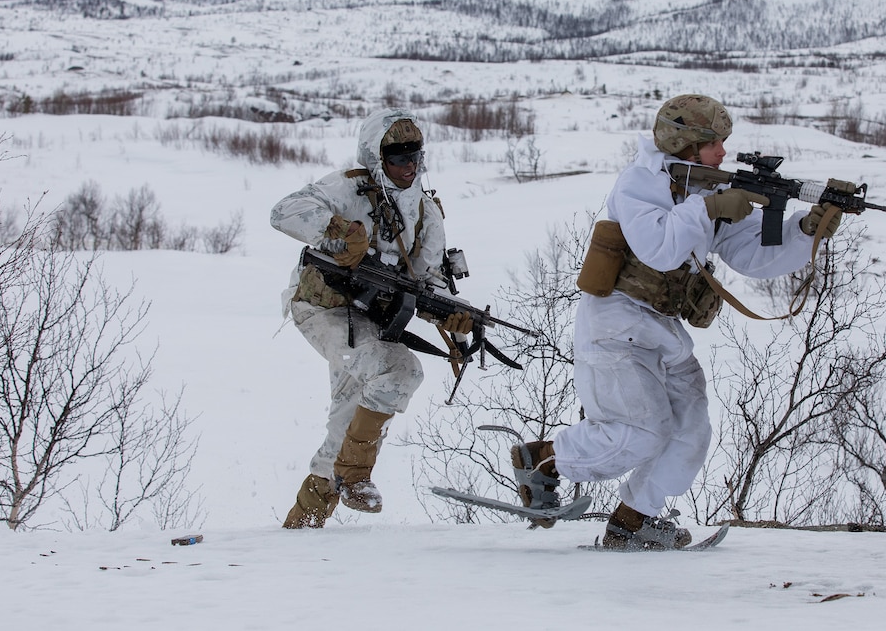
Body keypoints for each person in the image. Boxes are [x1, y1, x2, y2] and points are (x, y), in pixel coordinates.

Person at [511, 94, 844, 549]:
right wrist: (708, 209)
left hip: (663, 329)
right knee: (640, 433)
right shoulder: (639, 184)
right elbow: (658, 247)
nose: (724, 153)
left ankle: (633, 522)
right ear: (686, 144)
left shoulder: (705, 188)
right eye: (715, 144)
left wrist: (805, 231)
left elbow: (750, 255)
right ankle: (542, 461)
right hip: (615, 326)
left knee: (691, 430)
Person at [271, 108, 467, 528]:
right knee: (398, 372)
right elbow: (283, 211)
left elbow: (427, 277)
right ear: (377, 158)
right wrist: (337, 230)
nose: (409, 166)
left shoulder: (425, 214)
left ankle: (301, 528)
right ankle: (354, 474)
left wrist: (451, 316)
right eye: (397, 157)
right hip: (322, 308)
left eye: (415, 155)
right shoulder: (349, 190)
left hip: (370, 319)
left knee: (348, 418)